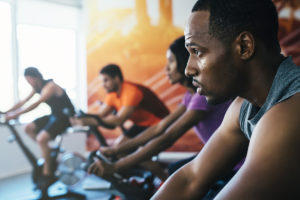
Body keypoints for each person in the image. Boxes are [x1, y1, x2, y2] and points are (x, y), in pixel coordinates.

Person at [151, 0, 300, 199]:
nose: (188, 69)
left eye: (197, 51)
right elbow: (191, 179)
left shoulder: (290, 111)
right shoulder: (244, 106)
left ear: (244, 46)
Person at [87, 36, 232, 186]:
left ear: (185, 62)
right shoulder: (190, 96)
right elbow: (161, 127)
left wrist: (115, 166)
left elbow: (167, 137)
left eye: (171, 62)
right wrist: (116, 150)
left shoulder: (201, 97)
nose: (166, 69)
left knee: (177, 176)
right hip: (220, 156)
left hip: (233, 163)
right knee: (174, 170)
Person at [4, 67, 75, 183]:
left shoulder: (50, 86)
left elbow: (36, 104)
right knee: (27, 128)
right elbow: (23, 102)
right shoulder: (37, 88)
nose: (29, 83)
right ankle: (50, 150)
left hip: (65, 117)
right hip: (54, 115)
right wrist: (6, 112)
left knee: (41, 139)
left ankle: (47, 173)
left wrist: (15, 115)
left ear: (36, 77)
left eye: (29, 81)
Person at [71, 64, 169, 146]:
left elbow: (119, 120)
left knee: (136, 153)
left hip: (160, 124)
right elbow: (100, 115)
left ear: (116, 79)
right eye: (102, 81)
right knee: (118, 147)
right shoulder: (112, 94)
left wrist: (92, 121)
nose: (103, 85)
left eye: (106, 80)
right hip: (141, 125)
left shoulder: (131, 91)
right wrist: (83, 117)